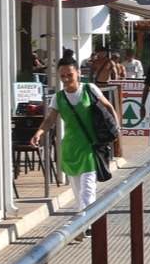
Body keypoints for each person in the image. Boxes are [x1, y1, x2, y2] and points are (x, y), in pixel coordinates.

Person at [31, 58, 110, 217]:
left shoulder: (89, 89)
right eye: (63, 76)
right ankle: (83, 222)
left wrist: (116, 131)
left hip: (90, 147)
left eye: (70, 74)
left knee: (88, 190)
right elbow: (50, 119)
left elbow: (108, 107)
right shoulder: (58, 98)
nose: (66, 79)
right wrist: (39, 133)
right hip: (71, 149)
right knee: (78, 191)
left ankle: (84, 225)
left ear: (78, 73)